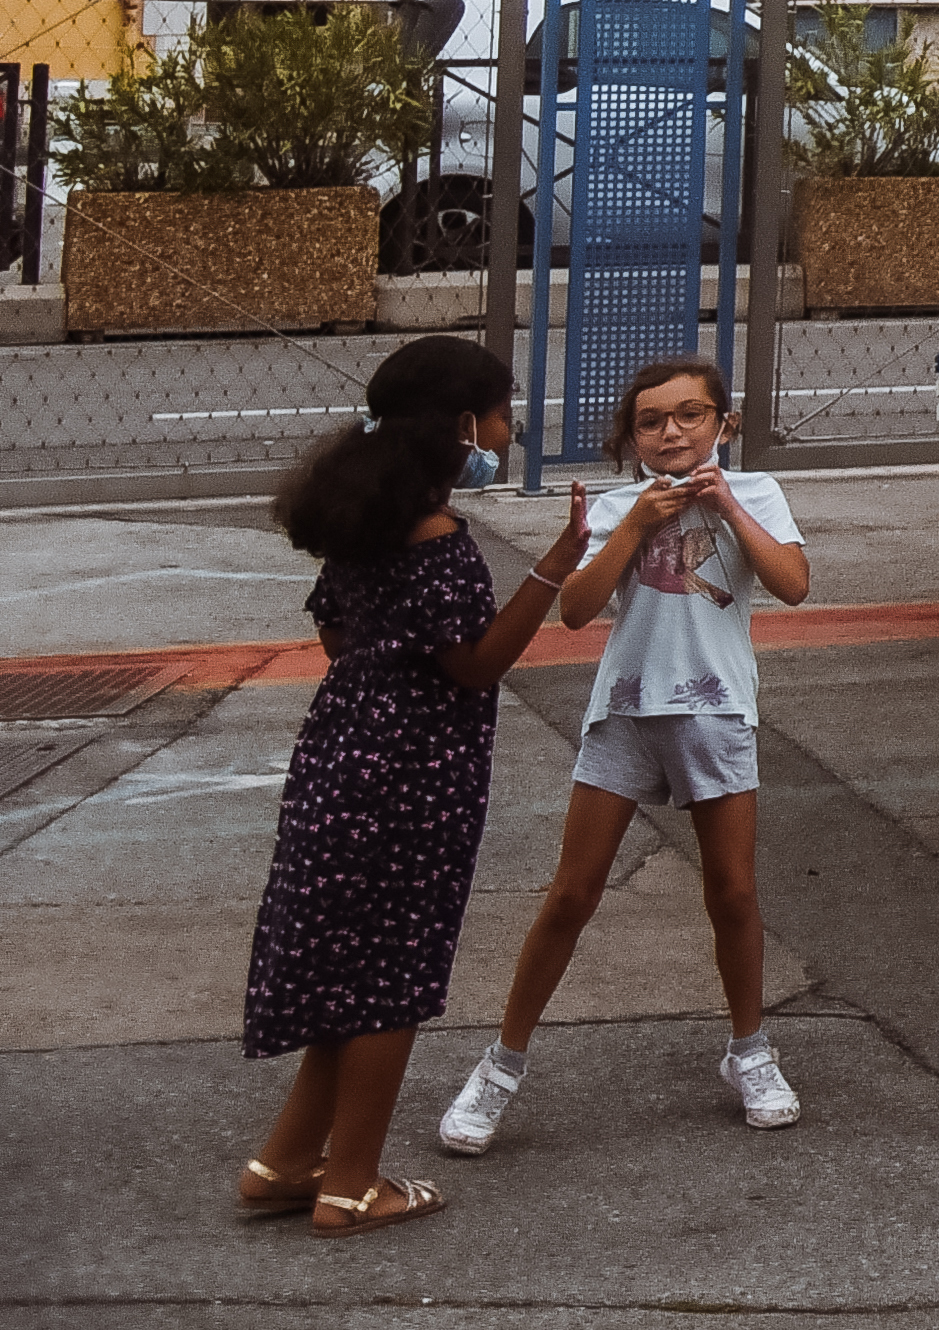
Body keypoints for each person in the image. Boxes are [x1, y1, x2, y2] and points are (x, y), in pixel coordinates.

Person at [236, 335, 586, 1234]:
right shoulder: (438, 540)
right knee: (390, 975)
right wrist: (553, 564)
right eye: (502, 413)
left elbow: (339, 639)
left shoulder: (358, 517)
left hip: (340, 755)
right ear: (464, 424)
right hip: (417, 773)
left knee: (344, 970)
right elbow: (474, 668)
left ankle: (284, 1161)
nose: (507, 429)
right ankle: (353, 1186)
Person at [438, 357, 810, 1153]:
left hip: (716, 711)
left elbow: (793, 583)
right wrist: (636, 523)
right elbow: (574, 610)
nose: (672, 432)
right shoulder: (613, 506)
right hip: (626, 709)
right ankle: (501, 1066)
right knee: (571, 895)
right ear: (630, 436)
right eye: (651, 421)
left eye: (690, 416)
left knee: (734, 894)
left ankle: (750, 1052)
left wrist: (728, 507)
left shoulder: (758, 493)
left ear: (724, 424)